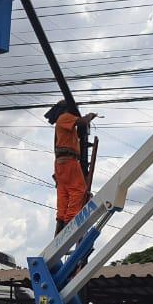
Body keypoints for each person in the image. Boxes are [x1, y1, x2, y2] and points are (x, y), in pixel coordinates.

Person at [47, 100, 97, 234]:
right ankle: (70, 221)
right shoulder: (65, 117)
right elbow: (82, 122)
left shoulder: (62, 123)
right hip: (69, 161)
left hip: (61, 163)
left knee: (64, 194)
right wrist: (90, 116)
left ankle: (61, 222)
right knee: (79, 190)